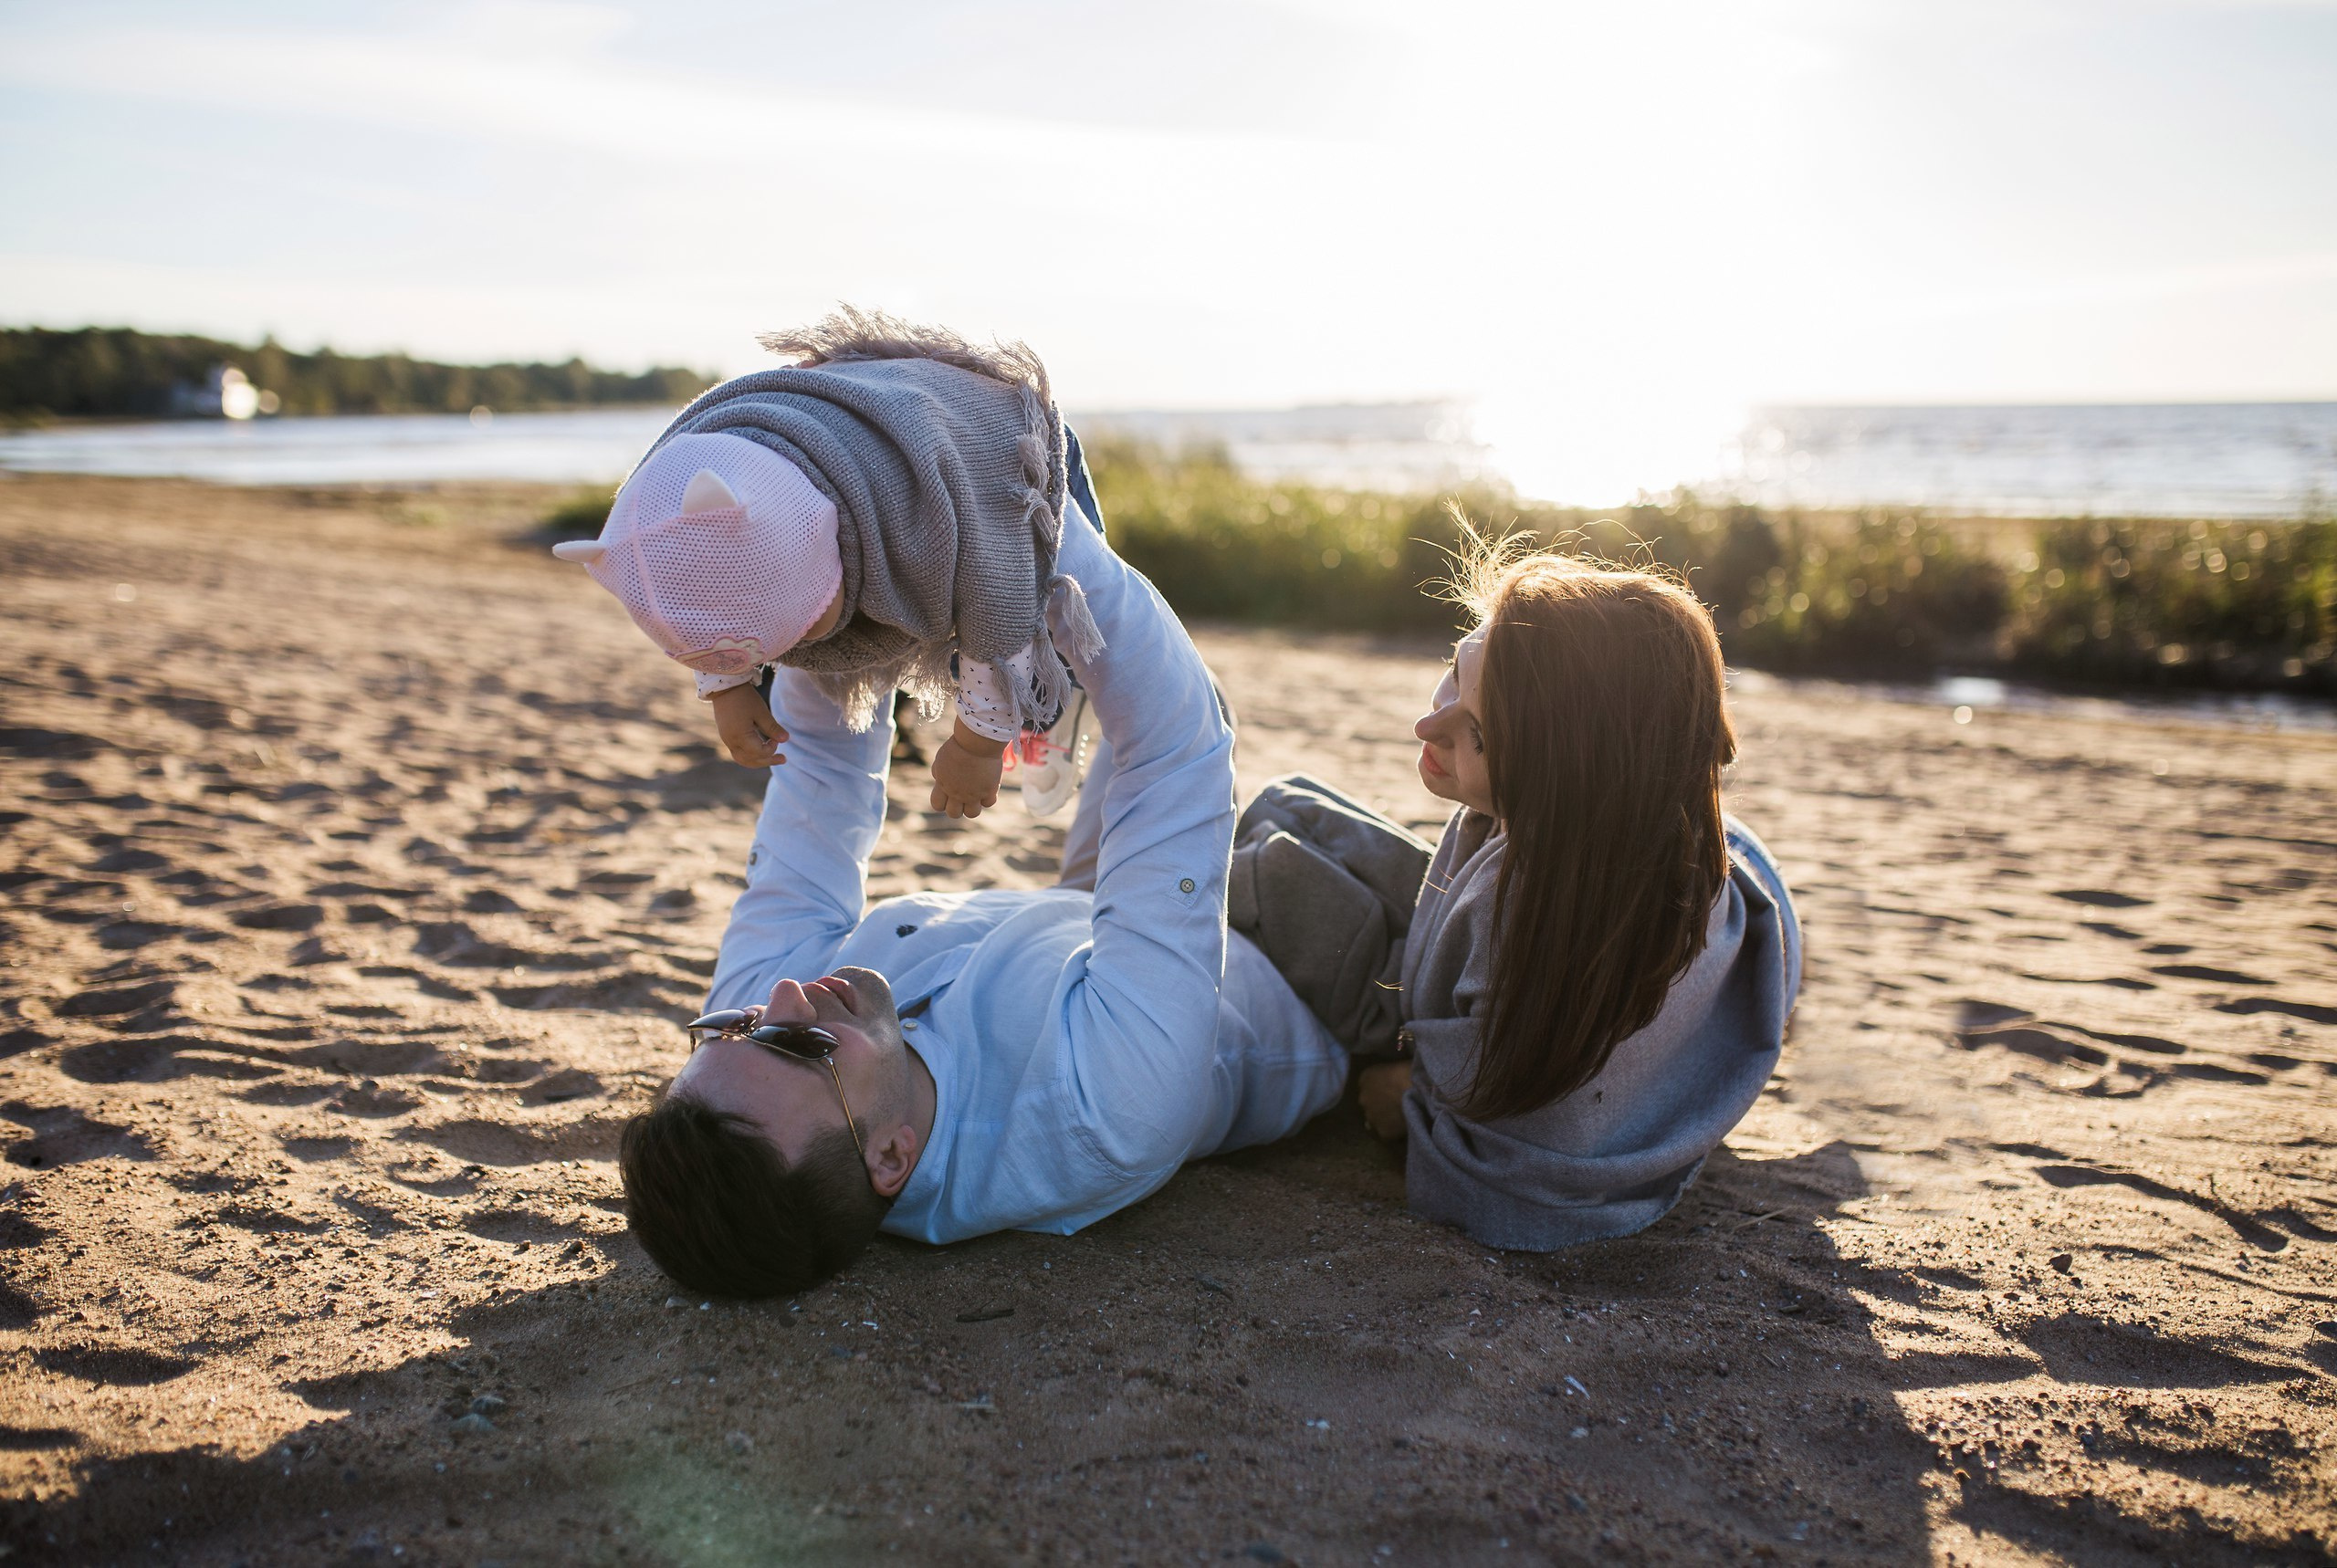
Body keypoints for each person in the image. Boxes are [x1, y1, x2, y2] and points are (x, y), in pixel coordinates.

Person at [616, 486, 1348, 1298]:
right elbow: (1182, 752)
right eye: (802, 1047)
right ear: (890, 1156)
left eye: (737, 1027)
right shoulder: (1103, 1108)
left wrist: (830, 564)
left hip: (1076, 923)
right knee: (1200, 706)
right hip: (1281, 958)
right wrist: (1022, 512)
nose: (781, 998)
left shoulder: (761, 1048)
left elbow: (820, 768)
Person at [1300, 539, 1801, 1251]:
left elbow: (1520, 1154)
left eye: (1473, 733)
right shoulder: (1569, 838)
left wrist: (1412, 1098)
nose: (1427, 726)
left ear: (1555, 785)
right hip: (1647, 847)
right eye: (1453, 673)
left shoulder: (1523, 925)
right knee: (1291, 814)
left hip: (1674, 893)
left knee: (1275, 873)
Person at [549, 307, 1099, 820]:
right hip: (852, 430)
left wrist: (975, 747)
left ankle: (1055, 704)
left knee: (1049, 623)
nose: (799, 644)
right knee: (825, 665)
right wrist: (728, 687)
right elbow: (705, 591)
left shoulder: (920, 509)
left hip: (1005, 449)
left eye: (801, 625)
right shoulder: (691, 507)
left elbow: (997, 604)